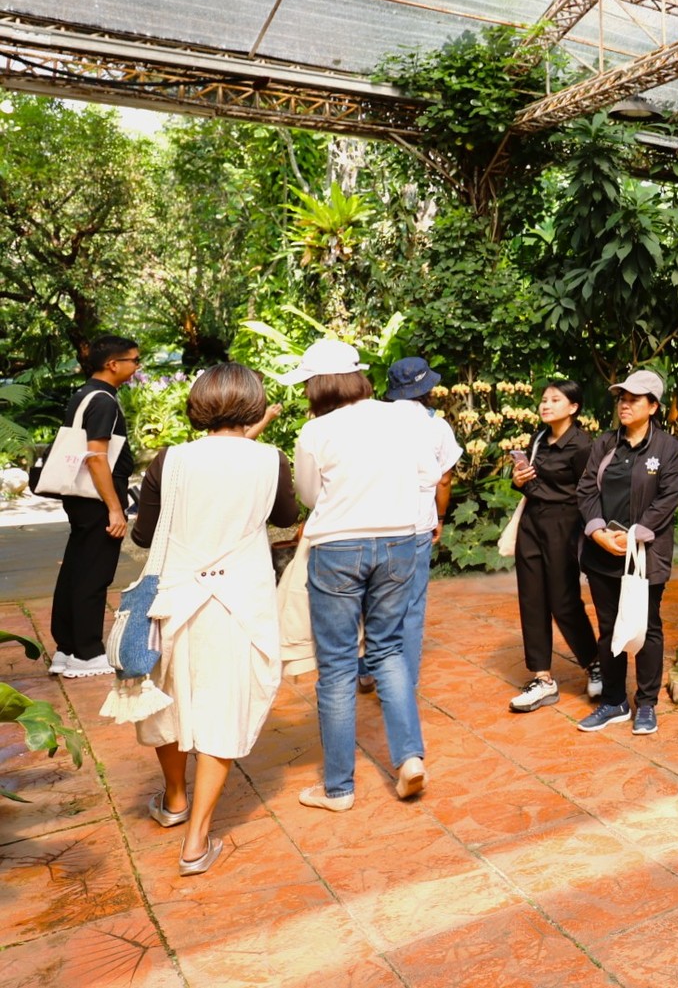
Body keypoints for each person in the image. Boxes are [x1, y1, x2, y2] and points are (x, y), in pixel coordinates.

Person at [127, 364, 295, 877]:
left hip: (174, 601)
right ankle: (197, 841)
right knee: (225, 708)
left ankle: (174, 800)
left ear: (199, 403)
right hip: (239, 602)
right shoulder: (271, 460)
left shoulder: (171, 460)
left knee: (167, 700)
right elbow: (285, 517)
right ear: (254, 403)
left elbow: (144, 535)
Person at [288, 339, 436, 811]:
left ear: (319, 384)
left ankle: (338, 788)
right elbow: (428, 476)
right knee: (387, 649)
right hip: (398, 542)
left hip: (337, 547)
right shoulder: (404, 417)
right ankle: (409, 759)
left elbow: (309, 495)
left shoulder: (315, 430)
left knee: (336, 666)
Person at [575, 369, 678, 736]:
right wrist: (598, 532)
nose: (624, 404)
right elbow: (586, 489)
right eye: (622, 398)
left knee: (647, 627)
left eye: (633, 399)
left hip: (645, 556)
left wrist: (634, 535)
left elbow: (668, 498)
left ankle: (647, 703)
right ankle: (614, 702)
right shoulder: (605, 444)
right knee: (610, 629)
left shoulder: (667, 448)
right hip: (603, 552)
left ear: (652, 406)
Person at [47, 335, 142, 679]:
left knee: (76, 568)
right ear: (113, 364)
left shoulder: (84, 394)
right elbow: (97, 457)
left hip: (80, 496)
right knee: (94, 574)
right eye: (134, 360)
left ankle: (66, 648)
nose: (138, 366)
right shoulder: (103, 401)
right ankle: (87, 653)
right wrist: (115, 507)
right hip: (98, 497)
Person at [508, 380, 602, 712]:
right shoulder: (538, 439)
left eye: (555, 400)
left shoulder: (582, 445)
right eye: (544, 400)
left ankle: (594, 663)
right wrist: (517, 480)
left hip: (565, 526)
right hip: (532, 524)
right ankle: (543, 679)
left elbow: (589, 492)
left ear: (573, 407)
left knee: (564, 600)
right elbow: (530, 483)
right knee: (532, 599)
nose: (546, 405)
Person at [382, 357, 460, 692]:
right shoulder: (437, 426)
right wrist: (439, 518)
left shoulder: (374, 420)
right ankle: (404, 682)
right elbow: (444, 480)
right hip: (416, 523)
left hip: (374, 523)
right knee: (411, 605)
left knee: (375, 600)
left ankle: (368, 669)